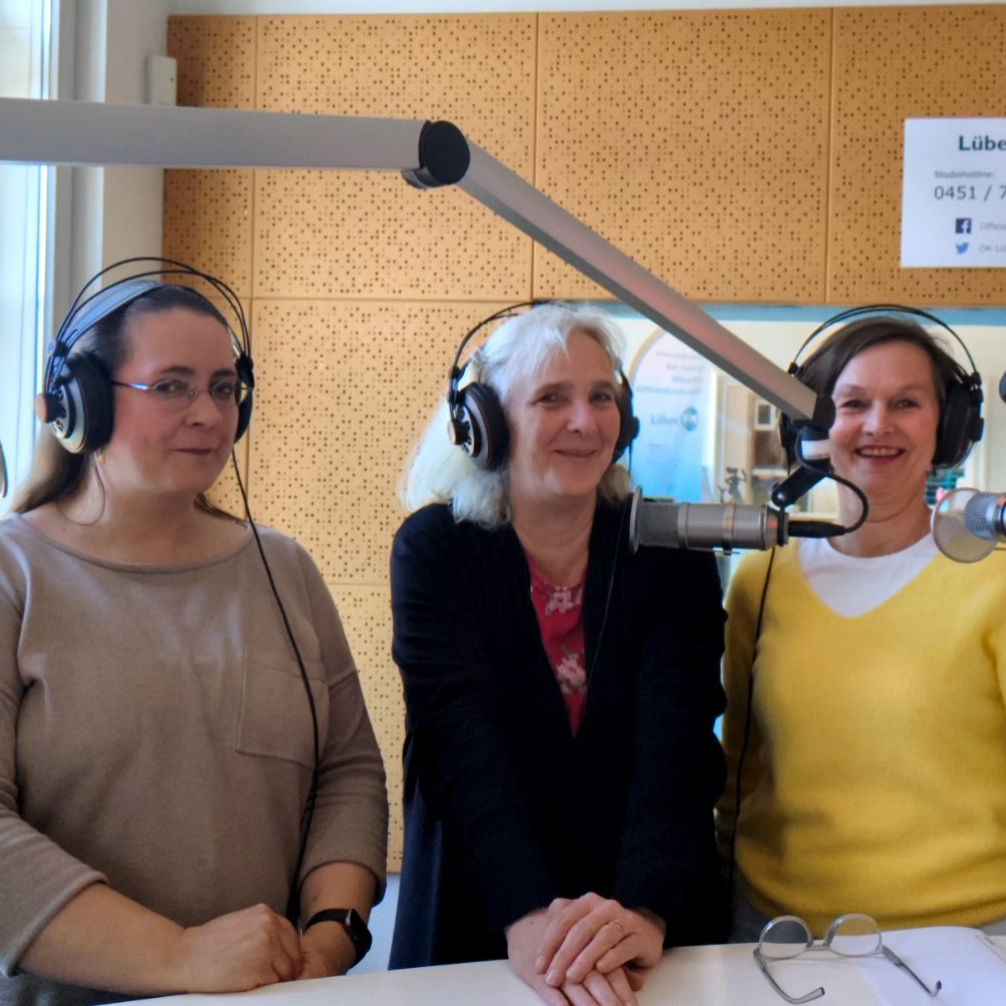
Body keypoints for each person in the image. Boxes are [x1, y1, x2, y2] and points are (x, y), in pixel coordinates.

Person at [0, 273, 388, 1006]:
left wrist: (329, 937)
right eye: (171, 387)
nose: (208, 414)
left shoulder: (284, 569)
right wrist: (178, 957)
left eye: (223, 387)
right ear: (82, 403)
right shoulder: (12, 572)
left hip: (272, 995)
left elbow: (347, 772)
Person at [389, 303, 728, 1006]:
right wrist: (529, 916)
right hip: (486, 918)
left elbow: (678, 745)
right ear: (486, 421)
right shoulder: (436, 551)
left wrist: (643, 911)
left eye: (601, 397)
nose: (585, 421)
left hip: (650, 925)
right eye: (551, 398)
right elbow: (460, 741)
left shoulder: (669, 552)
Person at [718, 313, 1006, 942]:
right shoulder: (762, 578)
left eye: (906, 403)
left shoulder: (996, 580)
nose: (878, 425)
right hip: (775, 931)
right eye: (853, 404)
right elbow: (740, 763)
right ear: (813, 429)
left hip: (970, 938)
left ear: (950, 427)